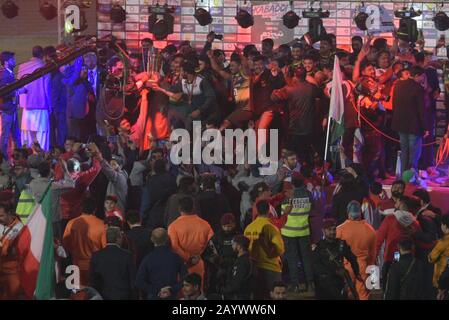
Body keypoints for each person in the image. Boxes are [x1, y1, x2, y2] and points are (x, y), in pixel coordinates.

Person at [271, 66, 321, 165]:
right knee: (306, 153)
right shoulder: (311, 87)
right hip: (309, 127)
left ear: (295, 75)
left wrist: (274, 91)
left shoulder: (289, 89)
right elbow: (321, 96)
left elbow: (274, 98)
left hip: (295, 127)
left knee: (293, 154)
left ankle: (295, 174)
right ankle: (308, 172)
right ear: (305, 75)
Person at [376, 195, 420, 291]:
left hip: (391, 256)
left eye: (398, 202)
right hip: (409, 258)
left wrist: (374, 256)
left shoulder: (390, 219)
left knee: (389, 287)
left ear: (401, 204)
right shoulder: (414, 222)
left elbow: (378, 239)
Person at [280, 174, 314, 293]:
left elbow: (284, 213)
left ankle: (295, 285)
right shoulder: (308, 195)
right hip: (304, 231)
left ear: (292, 184)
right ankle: (310, 284)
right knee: (306, 258)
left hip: (289, 232)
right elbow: (311, 209)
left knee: (292, 259)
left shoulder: (288, 196)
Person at [244, 200, 285, 300]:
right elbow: (280, 250)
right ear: (268, 211)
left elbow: (246, 249)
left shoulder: (248, 228)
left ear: (257, 211)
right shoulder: (271, 227)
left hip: (255, 268)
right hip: (271, 268)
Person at [168, 196, 214, 284]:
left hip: (182, 266)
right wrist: (199, 256)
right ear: (193, 207)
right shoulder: (205, 225)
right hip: (200, 264)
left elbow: (174, 247)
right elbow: (211, 244)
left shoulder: (173, 226)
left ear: (179, 209)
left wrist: (188, 257)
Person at [337, 201, 377, 300]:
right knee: (363, 294)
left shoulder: (340, 230)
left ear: (348, 212)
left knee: (349, 294)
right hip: (363, 266)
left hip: (347, 268)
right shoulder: (370, 230)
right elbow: (373, 255)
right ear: (360, 212)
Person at [312, 218, 361, 300]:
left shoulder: (341, 244)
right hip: (324, 286)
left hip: (338, 283)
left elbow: (352, 258)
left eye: (334, 229)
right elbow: (316, 267)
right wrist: (334, 272)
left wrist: (356, 272)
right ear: (323, 231)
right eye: (329, 229)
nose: (332, 232)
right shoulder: (319, 247)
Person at [62, 197, 106, 286]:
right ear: (95, 209)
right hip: (95, 266)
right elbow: (105, 248)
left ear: (81, 208)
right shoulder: (102, 224)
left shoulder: (72, 223)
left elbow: (65, 245)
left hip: (76, 264)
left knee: (78, 292)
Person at [392, 67, 427, 174]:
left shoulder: (398, 85)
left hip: (400, 123)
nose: (423, 78)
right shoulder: (418, 88)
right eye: (422, 76)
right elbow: (421, 110)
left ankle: (403, 174)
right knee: (414, 152)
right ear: (416, 76)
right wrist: (425, 127)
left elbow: (394, 104)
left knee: (404, 150)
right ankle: (411, 176)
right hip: (414, 125)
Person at [135, 228, 187, 300]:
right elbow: (185, 278)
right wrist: (172, 289)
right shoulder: (176, 257)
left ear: (152, 240)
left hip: (154, 296)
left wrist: (156, 291)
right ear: (167, 239)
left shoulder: (147, 259)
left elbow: (139, 281)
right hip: (171, 296)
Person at [89, 226, 137, 300]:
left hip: (103, 295)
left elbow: (93, 279)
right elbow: (132, 280)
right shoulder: (127, 255)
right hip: (123, 296)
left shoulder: (96, 256)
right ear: (118, 238)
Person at [18, 46, 51, 150]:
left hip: (27, 106)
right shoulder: (45, 66)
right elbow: (47, 88)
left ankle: (25, 156)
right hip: (41, 105)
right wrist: (50, 105)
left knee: (26, 134)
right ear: (42, 54)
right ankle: (43, 157)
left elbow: (19, 87)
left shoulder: (22, 66)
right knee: (42, 134)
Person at [204, 212, 239, 296]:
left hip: (234, 269)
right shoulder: (217, 237)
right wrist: (213, 260)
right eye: (224, 226)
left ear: (234, 224)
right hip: (219, 270)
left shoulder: (238, 236)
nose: (227, 229)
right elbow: (206, 254)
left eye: (229, 226)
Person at [0, 51, 22, 160]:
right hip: (7, 110)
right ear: (6, 62)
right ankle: (4, 160)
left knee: (16, 135)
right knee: (5, 137)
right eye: (13, 60)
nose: (15, 61)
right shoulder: (4, 75)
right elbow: (4, 92)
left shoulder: (9, 73)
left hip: (11, 109)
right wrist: (18, 91)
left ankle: (19, 159)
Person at [0, 202, 24, 299]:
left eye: (1, 215)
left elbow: (8, 250)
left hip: (13, 272)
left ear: (10, 213)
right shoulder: (1, 225)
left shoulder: (20, 229)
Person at [221, 235, 253, 300]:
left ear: (239, 246)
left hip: (240, 296)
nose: (232, 246)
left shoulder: (242, 262)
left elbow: (236, 284)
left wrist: (223, 290)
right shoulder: (244, 260)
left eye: (233, 244)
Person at [429, 215, 449, 298]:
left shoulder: (444, 241)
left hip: (442, 279)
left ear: (445, 225)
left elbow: (431, 258)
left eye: (441, 224)